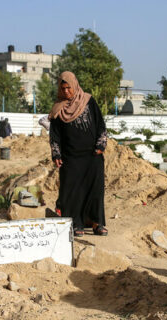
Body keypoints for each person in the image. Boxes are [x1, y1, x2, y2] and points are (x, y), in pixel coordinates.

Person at [49, 71, 108, 236]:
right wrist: (57, 154)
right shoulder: (58, 108)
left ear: (74, 86)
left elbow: (100, 125)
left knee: (95, 190)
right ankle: (76, 224)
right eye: (63, 88)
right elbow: (54, 135)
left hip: (92, 155)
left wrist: (100, 145)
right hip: (71, 157)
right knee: (73, 191)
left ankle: (97, 223)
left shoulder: (88, 101)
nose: (66, 92)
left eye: (69, 88)